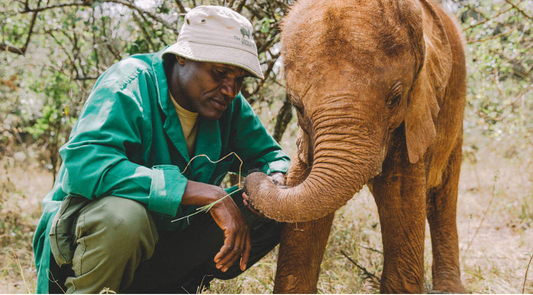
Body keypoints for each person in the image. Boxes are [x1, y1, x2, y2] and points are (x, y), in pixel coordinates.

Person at [32, 5, 290, 294]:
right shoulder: (129, 83)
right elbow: (84, 166)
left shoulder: (227, 105)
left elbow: (272, 157)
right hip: (84, 250)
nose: (230, 90)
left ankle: (178, 286)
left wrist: (272, 182)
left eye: (239, 80)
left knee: (281, 201)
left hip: (164, 251)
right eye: (219, 73)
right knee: (125, 217)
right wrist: (206, 194)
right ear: (181, 56)